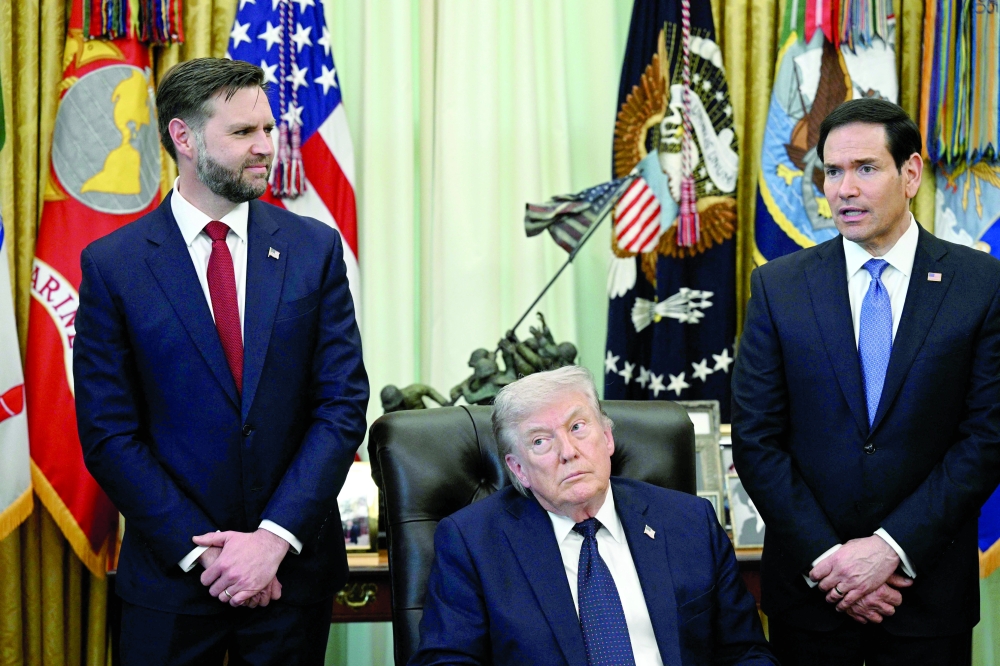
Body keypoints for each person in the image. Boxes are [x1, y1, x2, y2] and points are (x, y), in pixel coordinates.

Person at [73, 58, 369, 664]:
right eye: (242, 133)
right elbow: (108, 434)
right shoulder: (114, 265)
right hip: (173, 583)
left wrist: (271, 540)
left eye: (267, 128)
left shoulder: (313, 249)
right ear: (182, 137)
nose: (266, 147)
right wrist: (208, 554)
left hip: (291, 578)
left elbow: (340, 406)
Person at [732, 98, 1000, 665]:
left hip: (925, 598)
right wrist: (831, 559)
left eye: (865, 168)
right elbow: (756, 439)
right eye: (832, 171)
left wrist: (889, 550)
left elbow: (987, 437)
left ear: (910, 174)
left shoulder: (981, 284)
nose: (844, 188)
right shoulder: (779, 288)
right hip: (812, 596)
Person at [412, 366, 776, 665]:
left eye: (577, 427)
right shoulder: (473, 543)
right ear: (518, 469)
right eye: (540, 441)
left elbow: (746, 653)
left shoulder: (689, 522)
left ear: (607, 437)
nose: (567, 452)